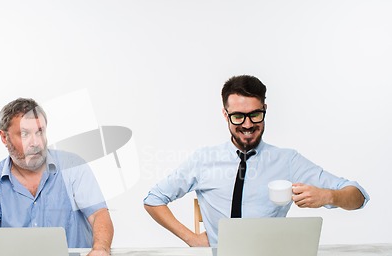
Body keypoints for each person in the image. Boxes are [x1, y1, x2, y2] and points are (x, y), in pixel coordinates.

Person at [143, 75, 369, 247]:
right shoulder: (204, 160)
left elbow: (358, 196)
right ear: (225, 114)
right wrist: (191, 239)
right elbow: (153, 199)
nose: (248, 124)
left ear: (265, 110)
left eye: (255, 114)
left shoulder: (287, 160)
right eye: (238, 116)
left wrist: (329, 196)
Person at [0, 98, 115, 256]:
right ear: (4, 137)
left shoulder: (73, 166)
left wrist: (101, 249)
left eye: (40, 132)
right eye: (25, 134)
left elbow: (99, 215)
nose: (36, 143)